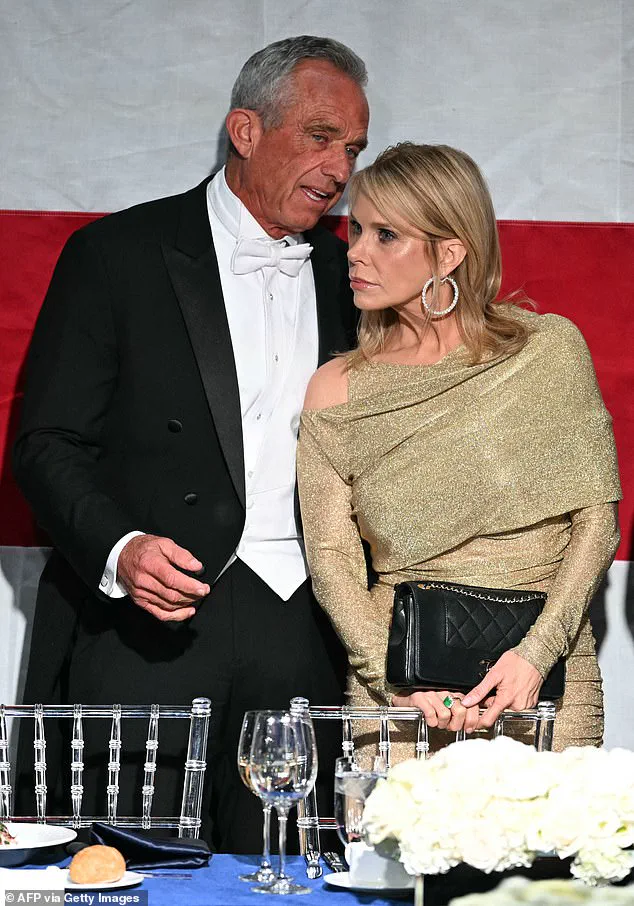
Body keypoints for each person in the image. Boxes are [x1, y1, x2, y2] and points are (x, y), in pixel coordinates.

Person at [13, 35, 369, 850]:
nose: (339, 168)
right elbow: (46, 442)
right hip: (150, 625)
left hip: (304, 628)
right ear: (245, 130)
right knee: (131, 875)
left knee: (288, 880)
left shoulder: (355, 278)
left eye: (353, 147)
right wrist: (121, 548)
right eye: (320, 137)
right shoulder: (115, 255)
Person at [297, 142, 621, 762]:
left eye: (386, 235)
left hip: (543, 687)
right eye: (356, 229)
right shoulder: (336, 388)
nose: (356, 252)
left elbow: (595, 521)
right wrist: (397, 678)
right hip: (398, 696)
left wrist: (535, 655)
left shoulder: (546, 350)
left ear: (449, 253)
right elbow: (332, 558)